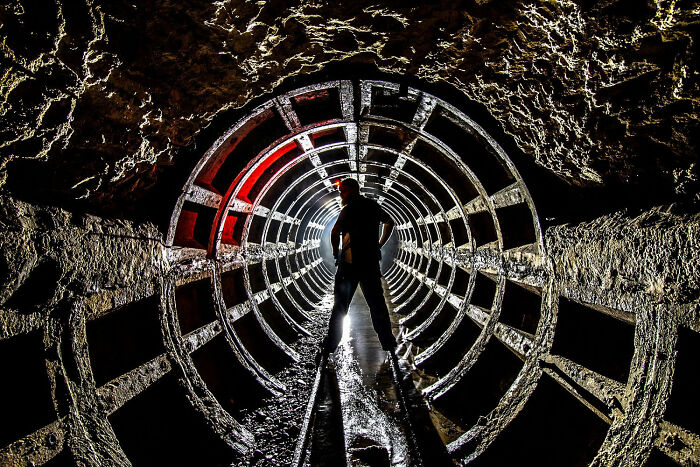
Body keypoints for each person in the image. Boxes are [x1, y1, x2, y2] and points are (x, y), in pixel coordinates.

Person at [322, 177, 397, 356]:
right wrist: (379, 244)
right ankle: (388, 343)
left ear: (354, 190)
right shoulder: (372, 206)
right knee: (377, 304)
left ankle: (330, 345)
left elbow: (334, 231)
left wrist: (335, 251)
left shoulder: (348, 209)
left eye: (344, 191)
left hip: (350, 264)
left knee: (340, 306)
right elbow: (390, 222)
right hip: (370, 263)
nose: (341, 194)